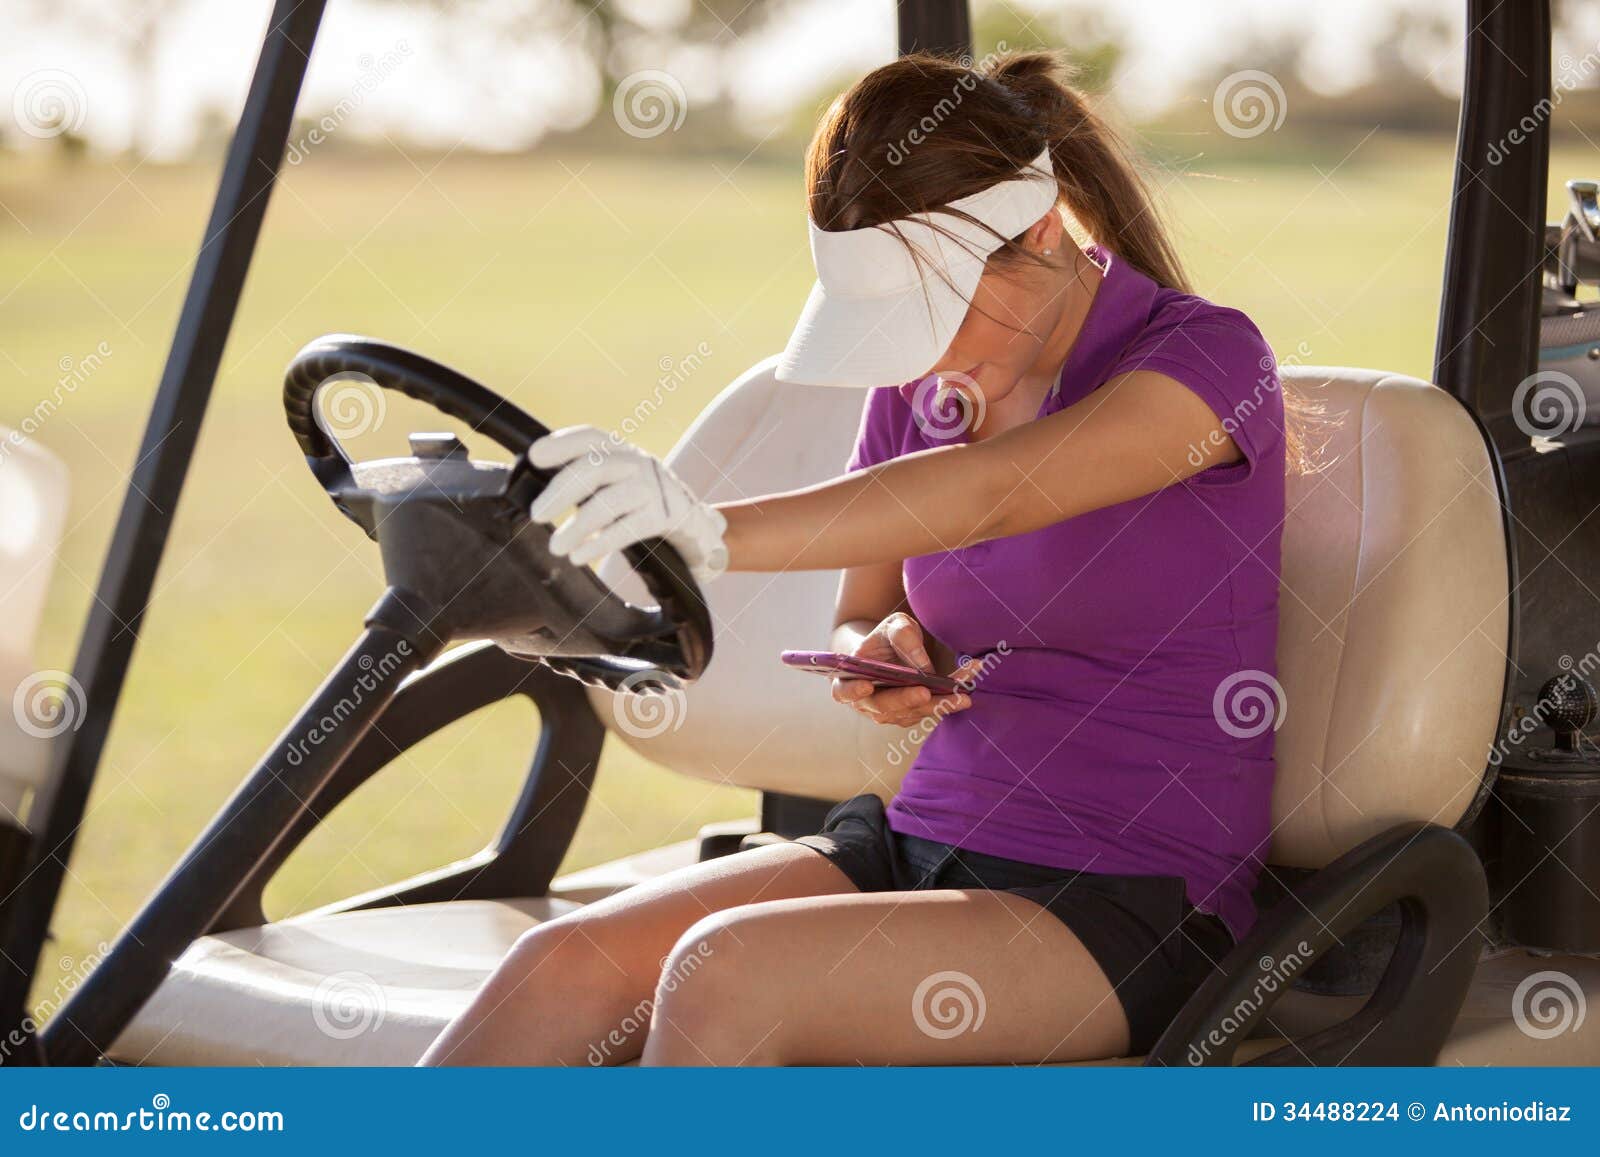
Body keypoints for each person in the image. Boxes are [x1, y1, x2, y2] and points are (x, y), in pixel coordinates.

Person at [419, 49, 1288, 1067]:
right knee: (558, 964)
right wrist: (883, 651)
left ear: (1042, 230)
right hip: (918, 842)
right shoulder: (915, 390)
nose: (926, 354)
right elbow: (863, 605)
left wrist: (702, 525)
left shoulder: (1207, 362)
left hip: (1129, 894)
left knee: (725, 974)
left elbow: (993, 490)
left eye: (942, 311)